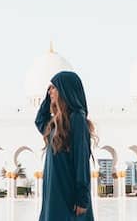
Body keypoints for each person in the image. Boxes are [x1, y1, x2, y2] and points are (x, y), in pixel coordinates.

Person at [35, 71, 97, 220]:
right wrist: (48, 98)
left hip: (67, 195)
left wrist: (82, 197)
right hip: (54, 194)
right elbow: (39, 120)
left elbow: (81, 160)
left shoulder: (77, 119)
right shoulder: (54, 125)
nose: (50, 91)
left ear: (65, 91)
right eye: (49, 88)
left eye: (54, 88)